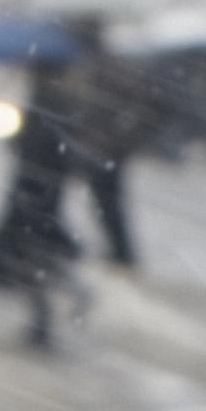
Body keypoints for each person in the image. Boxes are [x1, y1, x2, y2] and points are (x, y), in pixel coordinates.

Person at [0, 61, 87, 349]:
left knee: (32, 261)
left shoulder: (45, 106)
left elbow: (34, 147)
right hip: (41, 195)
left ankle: (48, 322)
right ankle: (46, 322)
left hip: (34, 195)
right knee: (36, 259)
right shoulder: (57, 105)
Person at [66, 18, 157, 271]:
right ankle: (119, 251)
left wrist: (119, 141)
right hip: (100, 147)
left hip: (105, 149)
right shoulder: (92, 66)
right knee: (104, 202)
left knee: (108, 202)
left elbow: (141, 108)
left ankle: (122, 253)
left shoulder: (102, 68)